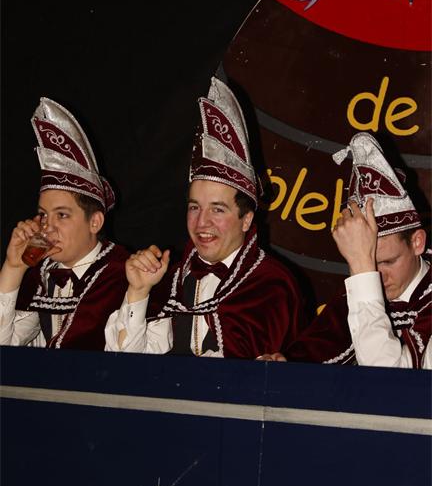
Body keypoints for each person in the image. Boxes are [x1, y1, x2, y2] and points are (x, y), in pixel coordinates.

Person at [105, 76, 306, 357]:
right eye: (194, 207)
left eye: (217, 209)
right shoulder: (169, 280)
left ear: (247, 220)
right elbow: (123, 364)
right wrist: (138, 292)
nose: (202, 222)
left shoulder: (272, 284)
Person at [272, 132, 431, 369]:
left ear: (417, 242)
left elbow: (388, 378)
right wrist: (284, 364)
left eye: (388, 261)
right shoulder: (356, 292)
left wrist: (363, 271)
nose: (378, 277)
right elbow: (317, 346)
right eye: (366, 263)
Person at [0, 97, 129, 349]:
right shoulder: (42, 275)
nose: (47, 227)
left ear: (95, 222)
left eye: (62, 215)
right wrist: (13, 268)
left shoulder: (122, 272)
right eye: (43, 215)